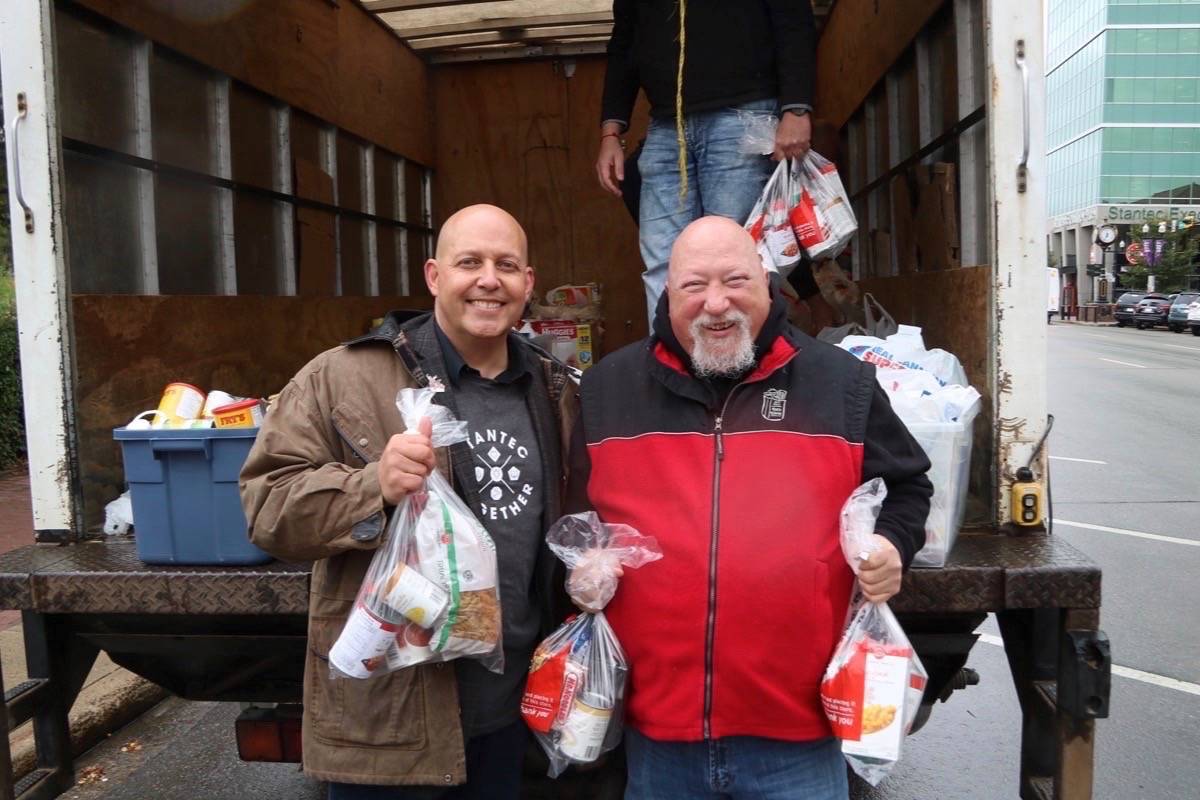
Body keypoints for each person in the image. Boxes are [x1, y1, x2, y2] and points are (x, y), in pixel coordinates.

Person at [566, 216, 933, 799]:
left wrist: (891, 544)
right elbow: (577, 520)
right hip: (658, 736)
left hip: (800, 738)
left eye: (735, 281)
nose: (716, 304)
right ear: (668, 292)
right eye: (694, 286)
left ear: (767, 282)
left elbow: (909, 488)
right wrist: (583, 568)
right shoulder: (609, 389)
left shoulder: (841, 384)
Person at [240, 204, 577, 799]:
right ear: (433, 276)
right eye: (468, 262)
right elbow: (267, 506)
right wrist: (374, 486)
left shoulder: (553, 389)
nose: (488, 280)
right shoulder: (342, 376)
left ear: (529, 282)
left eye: (506, 265)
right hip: (390, 728)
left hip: (508, 715)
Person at [595, 0, 817, 325]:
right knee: (664, 262)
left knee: (735, 258)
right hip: (666, 125)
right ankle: (669, 364)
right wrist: (611, 132)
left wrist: (797, 108)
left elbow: (793, 17)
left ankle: (742, 368)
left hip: (744, 114)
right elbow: (624, 43)